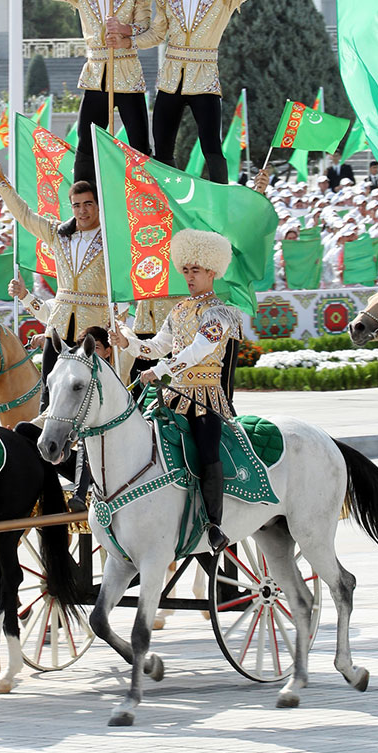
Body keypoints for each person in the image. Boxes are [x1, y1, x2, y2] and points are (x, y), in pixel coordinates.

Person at [109, 0, 287, 183]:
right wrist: (128, 42)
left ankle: (220, 205)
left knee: (212, 147)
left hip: (204, 79)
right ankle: (167, 202)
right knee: (163, 149)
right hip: (171, 80)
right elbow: (157, 35)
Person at [110, 229, 244, 552]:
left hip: (206, 398)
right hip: (171, 396)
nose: (189, 277)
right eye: (185, 270)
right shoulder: (179, 310)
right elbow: (158, 346)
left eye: (195, 271)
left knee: (207, 452)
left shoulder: (222, 313)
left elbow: (197, 351)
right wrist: (128, 342)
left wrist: (161, 370)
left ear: (212, 272)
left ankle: (214, 525)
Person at [0, 0, 157, 183]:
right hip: (95, 73)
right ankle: (84, 203)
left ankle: (147, 203)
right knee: (85, 144)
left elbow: (146, 28)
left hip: (127, 72)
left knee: (140, 146)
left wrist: (124, 32)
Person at [0, 161, 110, 402]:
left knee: (91, 395)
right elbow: (24, 215)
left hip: (94, 327)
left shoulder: (111, 238)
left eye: (88, 204)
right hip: (59, 326)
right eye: (77, 205)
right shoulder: (57, 233)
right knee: (49, 394)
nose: (82, 211)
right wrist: (1, 182)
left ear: (98, 205)